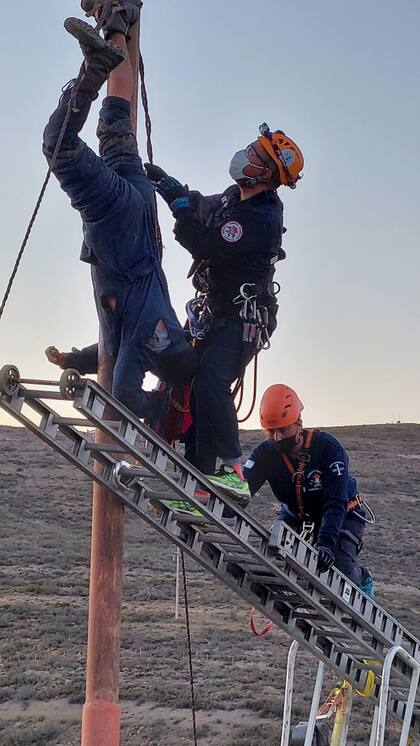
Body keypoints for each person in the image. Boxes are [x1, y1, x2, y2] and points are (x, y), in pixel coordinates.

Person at [42, 2, 198, 420]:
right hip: (117, 222)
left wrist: (72, 360)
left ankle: (118, 19)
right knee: (59, 146)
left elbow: (108, 346)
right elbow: (125, 389)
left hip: (138, 203)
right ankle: (95, 66)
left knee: (116, 116)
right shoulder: (154, 339)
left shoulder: (155, 328)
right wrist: (161, 407)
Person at [144, 124, 304, 497]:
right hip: (215, 311)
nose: (246, 157)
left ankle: (232, 469)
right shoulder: (236, 198)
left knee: (212, 381)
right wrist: (173, 190)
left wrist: (181, 214)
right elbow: (206, 206)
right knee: (194, 386)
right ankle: (197, 477)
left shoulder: (261, 218)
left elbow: (207, 244)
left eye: (256, 156)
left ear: (267, 174)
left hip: (244, 318)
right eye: (251, 149)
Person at [244, 384, 374, 596]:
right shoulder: (265, 454)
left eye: (283, 430)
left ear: (298, 423)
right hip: (296, 516)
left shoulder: (328, 448)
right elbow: (242, 490)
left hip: (342, 514)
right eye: (271, 432)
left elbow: (335, 501)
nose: (277, 438)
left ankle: (362, 578)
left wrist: (325, 544)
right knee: (270, 558)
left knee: (336, 577)